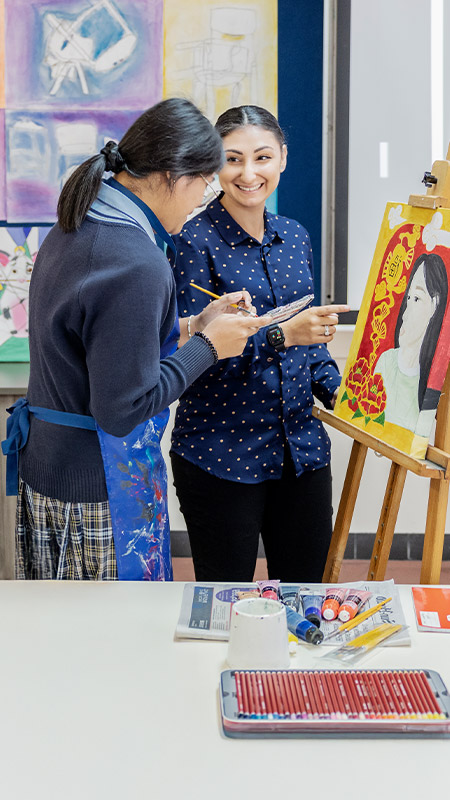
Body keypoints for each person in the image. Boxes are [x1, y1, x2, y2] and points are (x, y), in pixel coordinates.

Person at [1, 98, 263, 581]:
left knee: (57, 635)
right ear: (172, 176)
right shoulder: (136, 259)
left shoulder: (80, 218)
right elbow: (122, 407)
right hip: (96, 484)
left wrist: (193, 325)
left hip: (50, 468)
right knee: (113, 641)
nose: (201, 201)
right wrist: (208, 348)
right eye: (204, 186)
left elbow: (101, 339)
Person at [169, 104, 349, 583]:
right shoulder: (192, 240)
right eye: (233, 160)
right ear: (213, 165)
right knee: (225, 605)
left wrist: (342, 391)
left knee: (307, 597)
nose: (249, 173)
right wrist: (280, 335)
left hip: (302, 452)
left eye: (262, 157)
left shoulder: (295, 237)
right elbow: (194, 356)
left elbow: (309, 347)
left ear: (283, 159)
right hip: (219, 454)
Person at [375, 252, 448, 434]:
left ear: (435, 304)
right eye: (408, 298)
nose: (406, 312)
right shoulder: (386, 362)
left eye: (417, 299)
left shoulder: (436, 377)